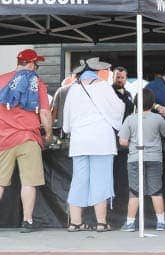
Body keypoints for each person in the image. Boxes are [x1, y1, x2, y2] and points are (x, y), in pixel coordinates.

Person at [62, 58, 124, 231]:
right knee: (101, 180)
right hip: (101, 142)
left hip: (79, 142)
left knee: (79, 180)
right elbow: (119, 109)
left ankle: (75, 222)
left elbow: (66, 125)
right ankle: (101, 222)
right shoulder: (103, 87)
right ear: (98, 72)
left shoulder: (73, 89)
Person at [0, 48, 53, 232]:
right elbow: (45, 113)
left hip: (3, 138)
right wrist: (48, 134)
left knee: (0, 182)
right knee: (28, 182)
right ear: (31, 64)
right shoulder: (37, 83)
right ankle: (27, 221)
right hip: (29, 138)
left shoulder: (1, 80)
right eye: (36, 63)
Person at [118, 87, 165, 230]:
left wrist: (134, 144)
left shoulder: (130, 119)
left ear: (136, 102)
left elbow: (123, 141)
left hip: (135, 158)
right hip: (155, 158)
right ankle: (161, 222)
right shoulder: (158, 118)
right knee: (156, 190)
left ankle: (130, 223)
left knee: (135, 191)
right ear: (152, 102)